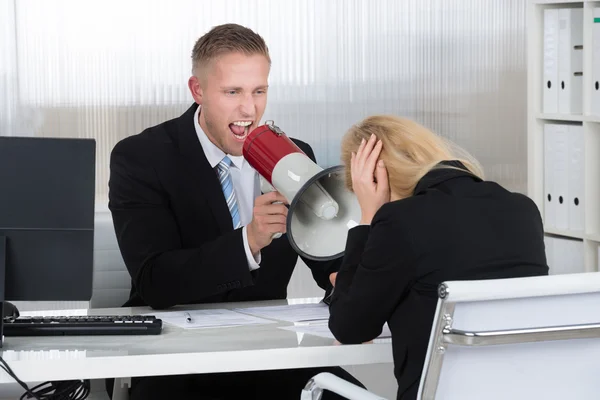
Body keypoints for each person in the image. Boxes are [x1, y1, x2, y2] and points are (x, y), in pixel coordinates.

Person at [108, 23, 362, 399]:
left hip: (266, 351)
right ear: (198, 91)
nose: (249, 108)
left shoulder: (294, 155)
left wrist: (348, 270)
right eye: (233, 92)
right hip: (174, 359)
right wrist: (250, 240)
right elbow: (155, 281)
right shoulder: (142, 158)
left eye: (259, 91)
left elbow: (324, 252)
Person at [327, 115, 549, 400]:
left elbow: (350, 329)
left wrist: (369, 216)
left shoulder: (401, 220)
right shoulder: (523, 209)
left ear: (372, 179)